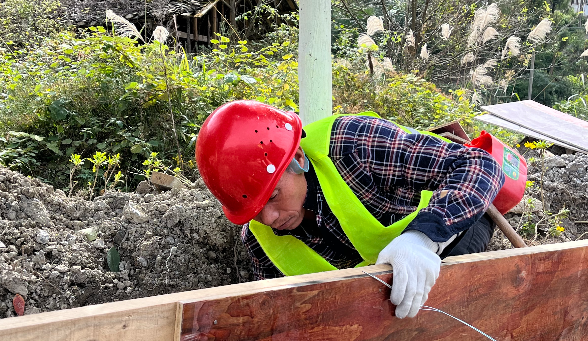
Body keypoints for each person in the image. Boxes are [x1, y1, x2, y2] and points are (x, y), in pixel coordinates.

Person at [195, 100, 506, 318]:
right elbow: (280, 316)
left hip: (451, 231)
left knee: (437, 309)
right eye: (255, 211)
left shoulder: (355, 146)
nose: (270, 218)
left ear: (298, 159)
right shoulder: (259, 242)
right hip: (376, 283)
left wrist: (422, 238)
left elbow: (479, 165)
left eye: (274, 196)